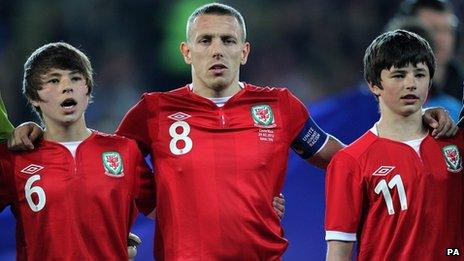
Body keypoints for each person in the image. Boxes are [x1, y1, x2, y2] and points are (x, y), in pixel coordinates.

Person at [8, 3, 456, 260]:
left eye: (226, 40)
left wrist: (415, 127)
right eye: (205, 41)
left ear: (245, 50)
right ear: (187, 51)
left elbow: (346, 160)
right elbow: (102, 164)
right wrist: (38, 133)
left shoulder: (279, 106)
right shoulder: (154, 110)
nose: (216, 50)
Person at [0, 42, 156, 260]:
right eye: (54, 80)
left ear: (88, 89)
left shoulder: (125, 151)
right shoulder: (14, 159)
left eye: (75, 78)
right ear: (33, 97)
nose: (67, 86)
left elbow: (167, 210)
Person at [325, 30, 463, 260]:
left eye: (420, 74)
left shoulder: (456, 143)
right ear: (374, 84)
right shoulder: (350, 161)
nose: (411, 84)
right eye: (399, 75)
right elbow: (339, 252)